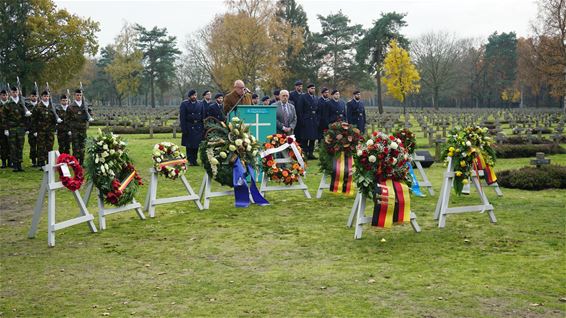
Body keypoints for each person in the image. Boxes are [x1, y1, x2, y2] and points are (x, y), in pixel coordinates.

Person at [4, 86, 30, 171]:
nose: (15, 93)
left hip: (21, 128)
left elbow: (26, 115)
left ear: (18, 92)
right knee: (13, 147)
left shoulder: (22, 102)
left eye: (16, 92)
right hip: (11, 128)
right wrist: (6, 129)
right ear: (10, 93)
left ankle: (19, 163)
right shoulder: (8, 103)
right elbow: (4, 117)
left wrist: (26, 126)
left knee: (20, 146)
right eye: (13, 92)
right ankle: (14, 164)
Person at [31, 91, 57, 168]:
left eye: (47, 96)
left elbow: (55, 118)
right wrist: (34, 130)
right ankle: (41, 163)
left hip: (50, 130)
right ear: (41, 97)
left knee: (50, 146)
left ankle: (49, 162)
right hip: (40, 130)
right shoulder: (38, 106)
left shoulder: (52, 106)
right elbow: (33, 119)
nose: (46, 98)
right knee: (41, 146)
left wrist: (55, 127)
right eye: (44, 96)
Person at [180, 89, 205, 166]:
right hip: (189, 126)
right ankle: (190, 160)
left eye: (195, 95)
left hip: (198, 127)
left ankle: (195, 160)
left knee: (196, 145)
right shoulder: (185, 104)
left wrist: (202, 127)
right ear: (189, 96)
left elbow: (203, 115)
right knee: (189, 145)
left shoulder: (200, 104)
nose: (194, 97)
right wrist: (184, 129)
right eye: (192, 95)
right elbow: (182, 117)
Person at [296, 84, 319, 159]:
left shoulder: (315, 98)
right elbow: (300, 110)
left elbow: (318, 109)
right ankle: (305, 153)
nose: (313, 90)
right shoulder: (303, 97)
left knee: (313, 138)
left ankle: (311, 153)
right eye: (312, 88)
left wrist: (317, 120)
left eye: (314, 88)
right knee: (305, 138)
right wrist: (302, 121)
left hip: (314, 120)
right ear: (308, 89)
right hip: (306, 120)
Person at [67, 89, 90, 164]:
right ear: (74, 96)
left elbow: (89, 115)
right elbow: (67, 119)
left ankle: (82, 162)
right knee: (75, 146)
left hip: (83, 129)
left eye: (80, 95)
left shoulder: (85, 105)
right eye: (77, 95)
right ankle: (75, 162)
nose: (79, 96)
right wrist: (69, 129)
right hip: (75, 129)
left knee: (82, 146)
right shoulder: (71, 106)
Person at [26, 90, 39, 166]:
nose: (34, 97)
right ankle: (33, 160)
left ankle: (40, 160)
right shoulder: (27, 106)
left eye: (35, 96)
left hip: (40, 129)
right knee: (32, 146)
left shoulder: (40, 105)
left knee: (40, 146)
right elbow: (25, 119)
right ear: (30, 97)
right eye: (32, 96)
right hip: (31, 129)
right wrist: (27, 129)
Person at [0, 89, 11, 168]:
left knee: (10, 145)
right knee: (2, 145)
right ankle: (3, 161)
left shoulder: (10, 104)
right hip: (0, 128)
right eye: (3, 95)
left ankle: (10, 161)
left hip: (10, 127)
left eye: (6, 95)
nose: (5, 96)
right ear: (0, 96)